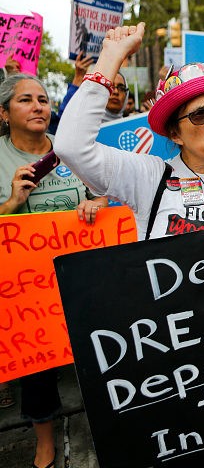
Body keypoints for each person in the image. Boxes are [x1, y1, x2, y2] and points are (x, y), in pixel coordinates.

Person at [53, 23, 204, 467]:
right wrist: (112, 57)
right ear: (176, 134)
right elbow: (69, 145)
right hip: (168, 364)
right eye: (199, 115)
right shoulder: (149, 176)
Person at [0, 73, 107, 468]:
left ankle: (105, 427)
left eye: (43, 99)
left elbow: (103, 192)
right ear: (4, 112)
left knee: (95, 357)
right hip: (27, 289)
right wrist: (12, 201)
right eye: (25, 100)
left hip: (80, 275)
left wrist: (98, 203)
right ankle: (44, 441)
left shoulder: (71, 151)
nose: (38, 106)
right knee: (38, 369)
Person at [55, 51, 129, 126]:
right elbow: (64, 119)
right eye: (109, 86)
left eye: (121, 88)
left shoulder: (133, 128)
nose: (115, 92)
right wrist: (79, 77)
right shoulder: (84, 126)